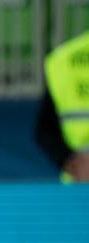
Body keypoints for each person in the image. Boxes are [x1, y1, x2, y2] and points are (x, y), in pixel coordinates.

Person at [34, 30, 89, 183]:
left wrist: (69, 160)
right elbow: (44, 127)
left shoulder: (63, 59)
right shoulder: (61, 61)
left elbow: (43, 128)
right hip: (79, 183)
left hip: (78, 183)